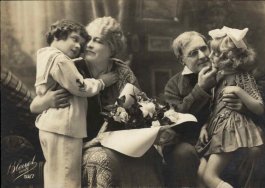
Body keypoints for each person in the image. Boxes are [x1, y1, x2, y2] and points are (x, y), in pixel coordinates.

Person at [30, 17, 164, 187]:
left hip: (120, 142)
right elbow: (34, 106)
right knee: (103, 159)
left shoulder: (122, 72)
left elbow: (141, 105)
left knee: (148, 156)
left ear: (112, 48)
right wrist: (48, 100)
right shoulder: (73, 68)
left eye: (97, 40)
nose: (88, 45)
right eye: (88, 40)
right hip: (78, 143)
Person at [32, 19, 120, 188]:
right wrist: (101, 82)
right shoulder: (60, 61)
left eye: (81, 42)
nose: (79, 46)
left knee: (54, 177)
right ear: (58, 36)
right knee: (68, 179)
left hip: (51, 125)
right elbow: (81, 87)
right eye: (74, 39)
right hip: (64, 127)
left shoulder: (46, 57)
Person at [163, 31, 245, 187]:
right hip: (191, 141)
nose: (202, 55)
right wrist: (200, 89)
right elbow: (177, 121)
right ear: (182, 60)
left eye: (203, 48)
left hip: (224, 136)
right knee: (182, 153)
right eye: (193, 53)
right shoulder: (174, 85)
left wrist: (243, 107)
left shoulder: (226, 71)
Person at [195, 26, 264, 188]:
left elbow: (259, 107)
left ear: (230, 58)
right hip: (216, 128)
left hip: (231, 130)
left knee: (210, 177)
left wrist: (238, 91)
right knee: (200, 174)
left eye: (216, 53)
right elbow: (216, 107)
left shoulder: (242, 77)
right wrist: (205, 125)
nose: (209, 56)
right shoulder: (217, 76)